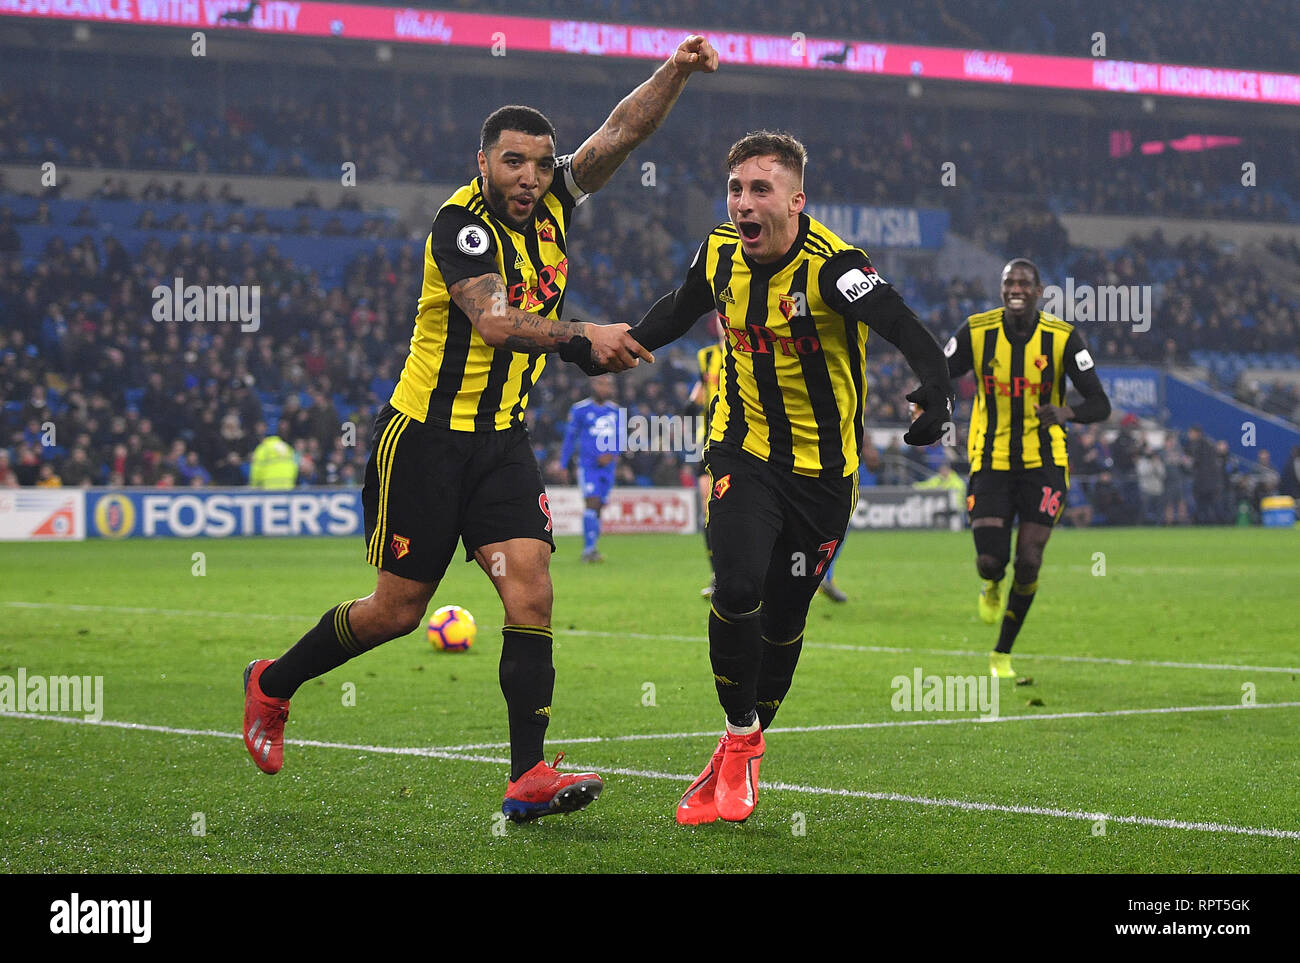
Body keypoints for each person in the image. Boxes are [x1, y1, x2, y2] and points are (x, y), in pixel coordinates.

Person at [241, 36, 719, 825]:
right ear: (483, 161)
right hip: (425, 440)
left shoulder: (560, 198)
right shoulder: (460, 226)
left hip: (501, 441)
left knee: (531, 588)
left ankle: (527, 773)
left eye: (540, 163)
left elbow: (621, 133)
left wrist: (675, 69)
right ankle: (273, 683)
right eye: (512, 162)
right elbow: (494, 324)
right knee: (397, 610)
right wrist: (580, 335)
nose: (529, 178)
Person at [624, 131, 953, 824]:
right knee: (737, 582)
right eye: (736, 189)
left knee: (784, 620)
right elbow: (680, 307)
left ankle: (736, 746)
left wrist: (937, 387)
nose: (743, 202)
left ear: (796, 201)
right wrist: (619, 346)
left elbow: (900, 321)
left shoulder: (834, 268)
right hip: (743, 452)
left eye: (760, 189)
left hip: (825, 477)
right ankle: (743, 734)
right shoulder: (718, 250)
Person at [944, 258, 1111, 679]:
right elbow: (940, 373)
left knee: (1031, 558)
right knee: (989, 561)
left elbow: (1099, 404)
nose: (1016, 287)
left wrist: (1067, 412)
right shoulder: (976, 332)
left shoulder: (1063, 338)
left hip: (1045, 462)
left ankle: (1002, 652)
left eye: (1024, 282)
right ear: (1002, 290)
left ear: (1039, 292)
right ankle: (992, 582)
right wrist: (925, 402)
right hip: (991, 458)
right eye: (1008, 282)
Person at [560, 374, 620, 562]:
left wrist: (613, 454)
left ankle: (592, 547)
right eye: (601, 383)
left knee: (599, 507)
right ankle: (588, 550)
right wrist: (563, 464)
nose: (604, 388)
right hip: (588, 466)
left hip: (608, 468)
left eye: (608, 385)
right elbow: (570, 439)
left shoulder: (616, 411)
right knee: (592, 503)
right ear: (593, 385)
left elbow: (620, 438)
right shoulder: (580, 410)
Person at [689, 314, 725, 597]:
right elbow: (695, 400)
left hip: (746, 443)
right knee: (710, 509)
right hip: (709, 443)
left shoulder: (754, 352)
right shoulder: (706, 357)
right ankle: (718, 576)